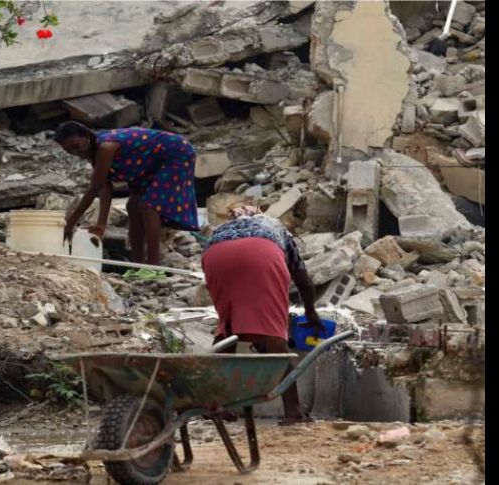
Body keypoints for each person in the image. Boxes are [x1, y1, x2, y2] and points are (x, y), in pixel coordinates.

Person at [202, 205, 323, 426]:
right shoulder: (278, 228)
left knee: (227, 329)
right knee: (274, 335)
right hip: (261, 253)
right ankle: (294, 411)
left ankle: (216, 405)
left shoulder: (222, 229)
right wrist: (311, 312)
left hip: (215, 256)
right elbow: (303, 279)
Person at [53, 121, 199, 277]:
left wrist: (70, 223)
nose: (76, 153)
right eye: (68, 150)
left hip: (174, 153)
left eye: (76, 146)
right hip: (147, 163)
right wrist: (101, 224)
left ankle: (154, 268)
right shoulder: (93, 153)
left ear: (87, 136)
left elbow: (94, 187)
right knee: (133, 206)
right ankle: (138, 266)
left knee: (148, 206)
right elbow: (105, 188)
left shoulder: (105, 147)